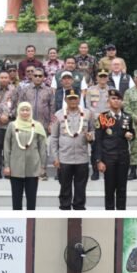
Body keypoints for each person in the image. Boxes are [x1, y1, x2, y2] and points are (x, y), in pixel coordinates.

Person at [49, 82, 94, 210]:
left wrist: (91, 137)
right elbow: (54, 138)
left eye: (75, 98)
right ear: (65, 99)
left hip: (82, 157)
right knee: (65, 187)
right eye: (70, 98)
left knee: (81, 187)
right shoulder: (58, 115)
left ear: (79, 99)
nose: (73, 100)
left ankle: (79, 208)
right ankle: (65, 207)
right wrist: (56, 158)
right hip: (64, 158)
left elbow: (92, 131)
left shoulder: (88, 114)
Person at [94, 89, 135, 209]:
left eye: (118, 99)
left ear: (122, 101)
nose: (116, 101)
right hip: (108, 158)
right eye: (113, 99)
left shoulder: (127, 117)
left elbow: (132, 134)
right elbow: (98, 140)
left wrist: (130, 135)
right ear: (108, 102)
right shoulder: (103, 117)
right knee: (109, 189)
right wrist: (98, 160)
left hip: (123, 157)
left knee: (122, 189)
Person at [3, 101, 47, 210]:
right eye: (22, 110)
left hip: (33, 167)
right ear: (18, 111)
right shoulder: (12, 125)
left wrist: (42, 166)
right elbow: (7, 146)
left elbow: (42, 148)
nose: (25, 112)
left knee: (31, 199)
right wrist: (7, 165)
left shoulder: (37, 126)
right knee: (16, 199)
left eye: (27, 110)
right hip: (15, 168)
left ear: (31, 111)